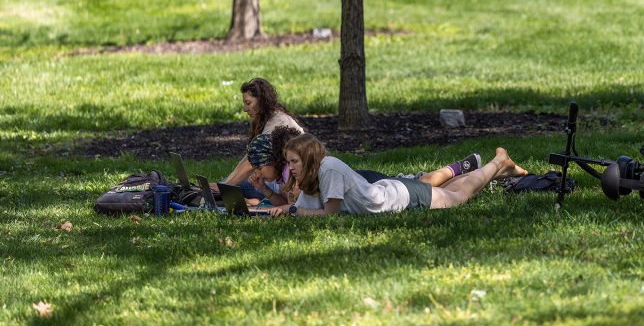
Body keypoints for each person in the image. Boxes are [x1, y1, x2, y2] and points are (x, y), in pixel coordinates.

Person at [268, 133, 528, 217]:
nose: (291, 168)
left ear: (309, 158)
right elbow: (303, 206)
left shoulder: (329, 168)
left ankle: (498, 162)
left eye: (294, 161)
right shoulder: (314, 173)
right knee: (448, 190)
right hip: (387, 190)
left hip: (398, 197)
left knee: (458, 196)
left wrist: (292, 211)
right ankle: (498, 171)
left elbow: (331, 214)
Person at [245, 126, 486, 206]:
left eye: (260, 166)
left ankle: (463, 167)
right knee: (428, 187)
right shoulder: (286, 170)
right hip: (375, 191)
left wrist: (284, 204)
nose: (257, 172)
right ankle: (477, 172)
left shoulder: (294, 169)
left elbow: (299, 204)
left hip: (369, 182)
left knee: (421, 182)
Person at [215, 78, 305, 193]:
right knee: (236, 184)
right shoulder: (266, 119)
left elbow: (250, 164)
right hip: (278, 178)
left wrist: (225, 187)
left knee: (242, 185)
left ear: (262, 101)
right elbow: (251, 156)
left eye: (248, 103)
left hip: (287, 180)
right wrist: (226, 182)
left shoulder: (277, 123)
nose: (245, 109)